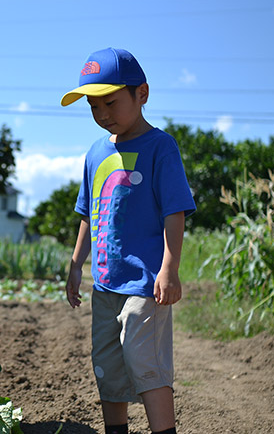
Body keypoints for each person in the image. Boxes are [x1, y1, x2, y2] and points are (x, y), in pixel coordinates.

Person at [60, 48, 196, 434]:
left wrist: (169, 268)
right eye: (93, 106)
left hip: (145, 282)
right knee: (106, 361)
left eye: (111, 102)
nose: (103, 114)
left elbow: (175, 210)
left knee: (144, 361)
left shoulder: (160, 147)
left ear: (142, 94)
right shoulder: (95, 153)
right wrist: (75, 264)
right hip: (105, 282)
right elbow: (89, 214)